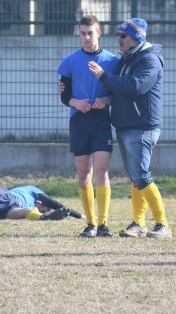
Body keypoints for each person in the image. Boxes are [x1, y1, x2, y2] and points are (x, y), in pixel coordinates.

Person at [88, 17, 172, 238]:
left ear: (136, 38)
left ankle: (163, 225)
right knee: (136, 177)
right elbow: (119, 89)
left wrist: (104, 76)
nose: (119, 40)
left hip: (142, 127)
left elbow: (135, 87)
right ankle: (139, 224)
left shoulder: (150, 60)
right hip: (126, 126)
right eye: (118, 35)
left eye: (123, 36)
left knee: (141, 175)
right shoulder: (127, 59)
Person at [57, 15, 119, 237]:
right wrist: (76, 102)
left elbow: (116, 91)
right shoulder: (69, 62)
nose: (86, 37)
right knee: (84, 174)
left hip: (101, 121)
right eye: (82, 33)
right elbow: (64, 96)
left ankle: (103, 224)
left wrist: (106, 100)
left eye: (90, 32)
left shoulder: (112, 61)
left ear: (99, 33)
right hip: (78, 121)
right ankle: (90, 224)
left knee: (101, 172)